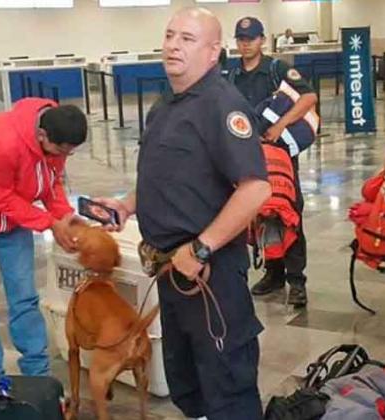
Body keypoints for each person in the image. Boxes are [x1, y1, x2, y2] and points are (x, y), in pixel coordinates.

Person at [97, 8, 271, 419]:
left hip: (209, 274)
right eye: (170, 35)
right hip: (170, 270)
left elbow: (256, 188)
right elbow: (167, 174)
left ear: (213, 52)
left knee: (227, 384)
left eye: (188, 39)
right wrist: (126, 204)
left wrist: (202, 248)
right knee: (187, 381)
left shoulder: (222, 106)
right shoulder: (166, 105)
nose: (173, 45)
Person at [0, 99, 87, 377]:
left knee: (24, 297)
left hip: (13, 220)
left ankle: (37, 371)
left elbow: (51, 180)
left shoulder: (59, 130)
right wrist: (48, 223)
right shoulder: (2, 141)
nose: (63, 155)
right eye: (60, 150)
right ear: (41, 135)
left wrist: (64, 216)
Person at [229, 16, 318, 307]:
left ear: (262, 40)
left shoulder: (276, 69)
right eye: (241, 40)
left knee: (289, 211)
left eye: (251, 39)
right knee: (259, 214)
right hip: (250, 157)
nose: (246, 44)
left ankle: (297, 280)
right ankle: (273, 272)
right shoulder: (232, 76)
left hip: (280, 156)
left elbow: (308, 98)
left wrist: (280, 126)